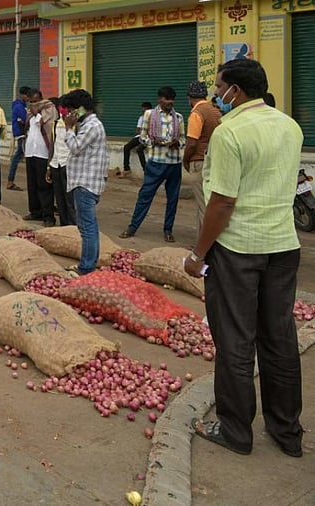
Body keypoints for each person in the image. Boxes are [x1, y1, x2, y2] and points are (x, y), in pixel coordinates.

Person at [184, 58, 304, 459]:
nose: (216, 94)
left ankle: (236, 430)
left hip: (238, 250)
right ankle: (287, 432)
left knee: (236, 340)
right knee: (279, 337)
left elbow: (221, 202)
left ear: (235, 89)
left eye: (219, 87)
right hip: (284, 246)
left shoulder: (229, 131)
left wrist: (198, 253)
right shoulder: (290, 126)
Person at [120, 86, 185, 243]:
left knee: (173, 199)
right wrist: (153, 141)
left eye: (172, 100)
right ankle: (133, 227)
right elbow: (142, 138)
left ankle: (168, 230)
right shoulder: (149, 115)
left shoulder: (179, 117)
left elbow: (183, 139)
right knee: (145, 196)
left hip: (174, 163)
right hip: (156, 162)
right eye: (166, 99)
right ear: (159, 99)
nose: (169, 103)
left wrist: (178, 142)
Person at [60, 89, 108, 275]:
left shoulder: (92, 126)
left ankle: (86, 268)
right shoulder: (87, 124)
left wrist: (67, 128)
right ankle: (89, 263)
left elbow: (76, 147)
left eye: (72, 110)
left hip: (86, 184)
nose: (69, 114)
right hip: (83, 181)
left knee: (87, 228)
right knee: (88, 226)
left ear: (80, 109)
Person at [181, 81, 221, 230]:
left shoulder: (196, 114)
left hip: (199, 162)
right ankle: (201, 242)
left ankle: (206, 247)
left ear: (190, 97)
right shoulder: (215, 111)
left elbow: (192, 143)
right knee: (207, 203)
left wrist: (185, 160)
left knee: (203, 206)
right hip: (214, 160)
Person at [22, 88, 58, 226]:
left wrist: (37, 113)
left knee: (45, 185)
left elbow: (43, 123)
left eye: (36, 102)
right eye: (30, 102)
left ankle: (48, 216)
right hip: (31, 151)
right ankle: (35, 211)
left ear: (41, 99)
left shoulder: (49, 108)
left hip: (43, 153)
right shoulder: (30, 112)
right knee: (32, 184)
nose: (33, 105)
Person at [47, 97, 75, 227]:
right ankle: (64, 225)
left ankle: (72, 226)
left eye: (65, 107)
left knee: (70, 199)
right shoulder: (56, 123)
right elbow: (52, 145)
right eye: (61, 107)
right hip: (56, 164)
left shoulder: (76, 125)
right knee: (59, 198)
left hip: (68, 165)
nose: (63, 110)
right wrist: (49, 166)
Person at [6, 86, 30, 191]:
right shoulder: (19, 107)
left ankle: (10, 181)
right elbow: (26, 119)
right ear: (22, 95)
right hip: (22, 134)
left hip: (22, 134)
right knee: (20, 157)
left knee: (18, 156)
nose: (28, 98)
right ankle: (10, 181)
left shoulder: (22, 105)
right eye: (27, 95)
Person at [122, 102, 152, 174]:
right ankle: (127, 168)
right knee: (126, 147)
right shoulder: (141, 118)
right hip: (141, 136)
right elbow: (138, 130)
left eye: (146, 110)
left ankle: (145, 170)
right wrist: (143, 132)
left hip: (150, 138)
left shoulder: (154, 119)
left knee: (139, 149)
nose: (144, 111)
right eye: (143, 110)